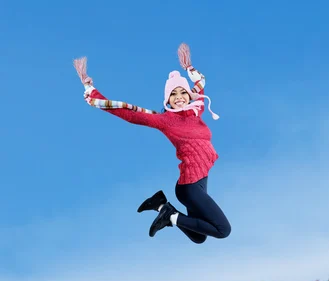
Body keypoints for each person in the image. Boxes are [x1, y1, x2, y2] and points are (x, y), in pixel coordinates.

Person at [73, 44, 231, 243]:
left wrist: (189, 69)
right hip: (189, 187)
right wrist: (91, 89)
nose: (179, 97)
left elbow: (201, 83)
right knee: (223, 230)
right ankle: (168, 216)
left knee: (199, 237)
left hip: (200, 183)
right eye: (173, 95)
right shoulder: (166, 120)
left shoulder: (196, 109)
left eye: (182, 92)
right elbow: (129, 113)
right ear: (167, 100)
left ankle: (162, 206)